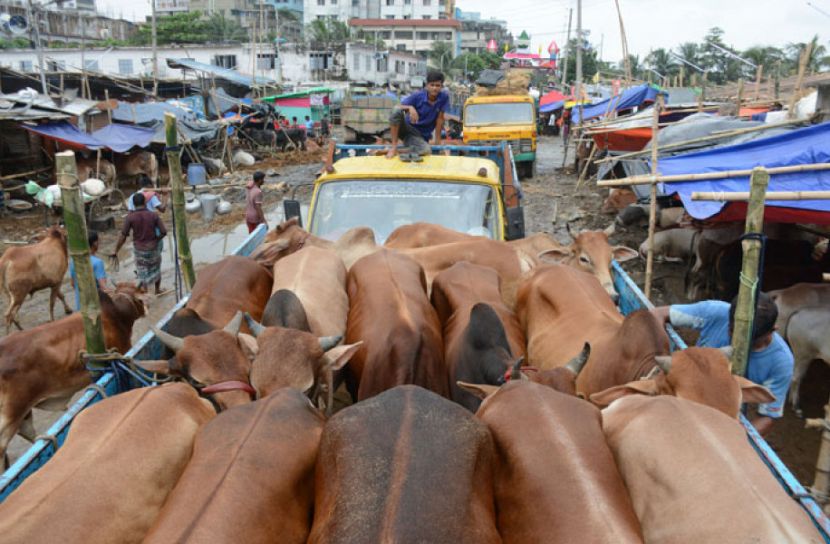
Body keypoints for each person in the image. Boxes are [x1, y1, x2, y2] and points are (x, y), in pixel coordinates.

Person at [651, 293, 794, 436]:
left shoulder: (781, 362)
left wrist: (730, 438)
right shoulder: (714, 312)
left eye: (751, 341)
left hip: (724, 415)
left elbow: (768, 415)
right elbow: (657, 314)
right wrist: (667, 359)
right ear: (729, 318)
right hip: (681, 399)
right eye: (732, 332)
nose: (738, 343)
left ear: (773, 330)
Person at [112, 193, 167, 295]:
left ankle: (145, 292)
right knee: (156, 269)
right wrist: (155, 240)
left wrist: (116, 250)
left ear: (133, 203)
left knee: (142, 272)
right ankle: (157, 290)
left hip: (140, 250)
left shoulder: (130, 217)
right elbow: (164, 232)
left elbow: (123, 236)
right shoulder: (153, 215)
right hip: (153, 248)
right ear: (145, 202)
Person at [386, 70, 449, 159]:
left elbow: (440, 119)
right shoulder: (417, 96)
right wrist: (410, 108)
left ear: (441, 86)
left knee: (426, 150)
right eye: (432, 85)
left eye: (437, 85)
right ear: (427, 85)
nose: (434, 88)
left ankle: (395, 151)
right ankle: (393, 147)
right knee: (396, 111)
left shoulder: (443, 97)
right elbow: (398, 107)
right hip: (407, 128)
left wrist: (437, 142)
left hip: (420, 136)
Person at [68, 230, 108, 310]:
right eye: (98, 241)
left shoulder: (73, 260)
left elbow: (72, 284)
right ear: (95, 243)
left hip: (81, 308)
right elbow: (104, 288)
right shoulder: (97, 263)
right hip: (95, 309)